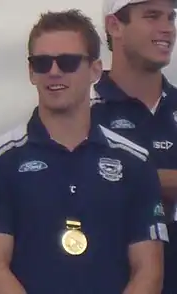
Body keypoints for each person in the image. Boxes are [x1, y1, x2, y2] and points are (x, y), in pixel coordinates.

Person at [0, 9, 167, 294]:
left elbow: (149, 269)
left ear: (96, 70)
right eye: (42, 63)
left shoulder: (135, 161)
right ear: (31, 72)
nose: (54, 71)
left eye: (68, 62)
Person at [91, 0, 177, 292]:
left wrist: (124, 177)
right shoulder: (80, 109)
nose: (167, 28)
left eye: (171, 17)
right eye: (152, 16)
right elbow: (73, 182)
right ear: (114, 25)